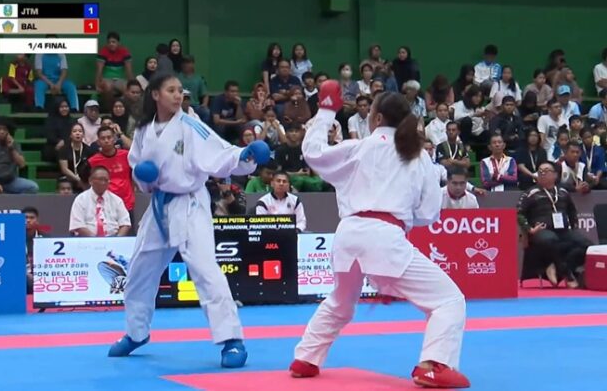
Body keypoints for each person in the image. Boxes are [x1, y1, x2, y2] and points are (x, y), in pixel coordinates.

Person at [289, 82, 469, 388]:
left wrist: (326, 111)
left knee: (341, 300)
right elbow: (428, 214)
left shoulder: (359, 147)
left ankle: (305, 358)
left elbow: (313, 153)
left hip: (347, 234)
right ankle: (434, 365)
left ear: (377, 118)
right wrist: (402, 214)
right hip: (385, 236)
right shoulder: (419, 156)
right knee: (449, 300)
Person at [109, 73, 266, 369]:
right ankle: (136, 333)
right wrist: (143, 177)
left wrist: (245, 156)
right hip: (159, 206)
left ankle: (231, 340)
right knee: (139, 272)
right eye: (171, 90)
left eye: (180, 90)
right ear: (155, 94)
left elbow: (220, 153)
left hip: (190, 204)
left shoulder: (191, 126)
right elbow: (138, 169)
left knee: (206, 271)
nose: (177, 95)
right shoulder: (143, 130)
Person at [517, 162, 591, 288]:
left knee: (587, 245)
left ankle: (556, 268)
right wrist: (529, 229)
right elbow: (519, 213)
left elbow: (572, 211)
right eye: (540, 171)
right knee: (551, 239)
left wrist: (573, 227)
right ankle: (568, 275)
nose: (542, 173)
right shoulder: (530, 193)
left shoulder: (563, 192)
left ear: (555, 175)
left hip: (563, 230)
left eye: (546, 171)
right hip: (541, 231)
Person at [69, 166, 131, 237]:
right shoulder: (81, 199)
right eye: (100, 179)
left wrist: (118, 239)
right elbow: (78, 225)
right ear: (90, 181)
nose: (103, 182)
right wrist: (97, 241)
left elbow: (125, 224)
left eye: (106, 180)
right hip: (86, 239)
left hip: (113, 238)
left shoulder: (116, 200)